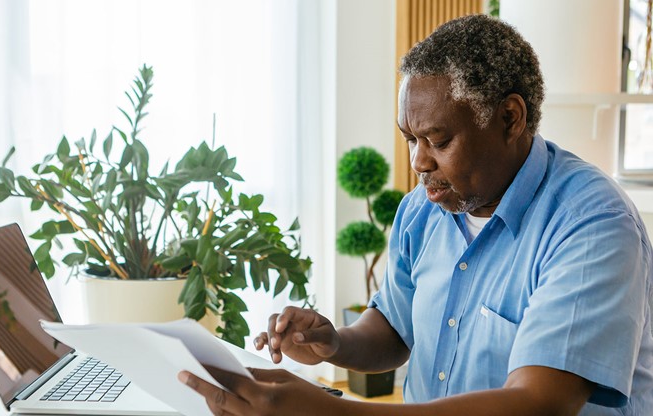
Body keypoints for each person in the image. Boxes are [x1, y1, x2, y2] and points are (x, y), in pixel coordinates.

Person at [178, 14, 653, 415]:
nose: (418, 163)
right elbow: (393, 329)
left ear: (511, 119)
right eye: (411, 138)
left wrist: (332, 410)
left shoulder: (593, 224)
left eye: (439, 140)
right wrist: (335, 343)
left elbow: (538, 404)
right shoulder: (423, 210)